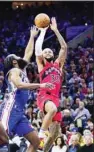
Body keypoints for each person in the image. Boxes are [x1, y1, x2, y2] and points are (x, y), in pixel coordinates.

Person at [0, 26, 53, 152]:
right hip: (11, 109)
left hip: (20, 112)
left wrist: (32, 36)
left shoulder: (21, 69)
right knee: (2, 139)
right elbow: (20, 85)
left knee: (35, 142)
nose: (21, 57)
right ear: (13, 62)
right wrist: (40, 85)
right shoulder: (14, 71)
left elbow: (28, 53)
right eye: (17, 57)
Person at [35, 17, 67, 151]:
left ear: (53, 54)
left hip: (55, 98)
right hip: (44, 95)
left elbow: (64, 47)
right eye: (45, 51)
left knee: (54, 134)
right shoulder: (42, 65)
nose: (47, 52)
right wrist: (42, 33)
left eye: (50, 51)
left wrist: (55, 30)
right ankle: (40, 133)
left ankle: (43, 150)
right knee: (52, 109)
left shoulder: (58, 65)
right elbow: (37, 50)